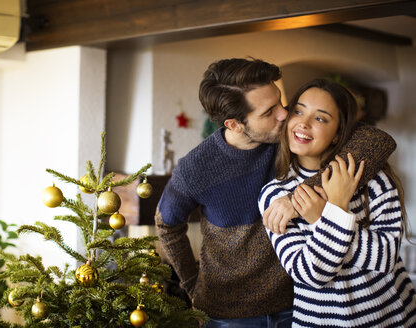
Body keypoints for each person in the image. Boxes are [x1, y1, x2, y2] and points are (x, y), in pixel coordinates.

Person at [155, 58, 396, 328]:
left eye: (281, 102)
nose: (284, 114)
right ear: (234, 124)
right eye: (269, 111)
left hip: (298, 304)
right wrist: (192, 286)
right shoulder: (195, 169)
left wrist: (299, 196)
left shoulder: (290, 139)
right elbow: (167, 225)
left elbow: (378, 140)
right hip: (229, 315)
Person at [258, 78, 416, 327]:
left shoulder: (374, 179)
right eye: (298, 111)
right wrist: (335, 212)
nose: (303, 123)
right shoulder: (276, 195)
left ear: (337, 134)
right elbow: (310, 274)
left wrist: (324, 216)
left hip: (391, 318)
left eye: (320, 118)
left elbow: (385, 257)